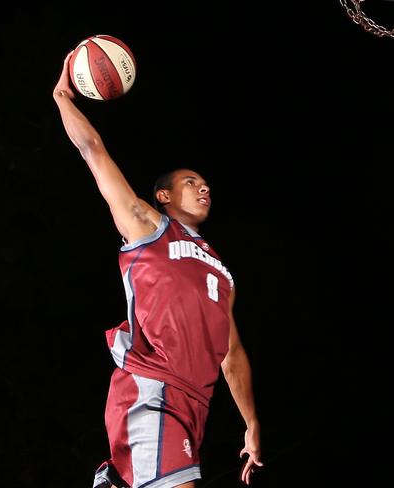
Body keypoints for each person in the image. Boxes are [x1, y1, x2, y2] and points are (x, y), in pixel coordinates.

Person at [53, 51, 263, 488]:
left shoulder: (221, 273)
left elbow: (233, 353)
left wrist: (251, 422)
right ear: (163, 197)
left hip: (194, 408)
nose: (203, 186)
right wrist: (62, 98)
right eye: (190, 182)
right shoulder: (148, 225)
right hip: (152, 387)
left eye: (205, 183)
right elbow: (92, 149)